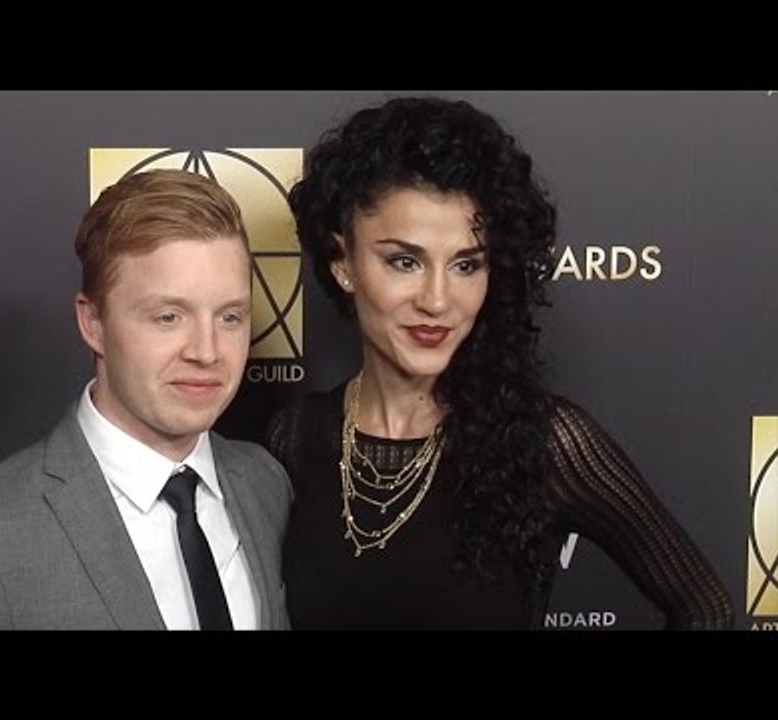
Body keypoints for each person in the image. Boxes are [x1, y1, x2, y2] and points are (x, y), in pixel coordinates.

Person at [267, 96, 734, 630]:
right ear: (343, 263)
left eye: (467, 264)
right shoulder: (294, 438)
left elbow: (707, 608)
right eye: (405, 261)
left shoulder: (544, 441)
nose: (438, 300)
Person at [0, 169, 292, 630]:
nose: (206, 351)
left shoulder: (265, 484)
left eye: (229, 317)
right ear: (93, 323)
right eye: (168, 317)